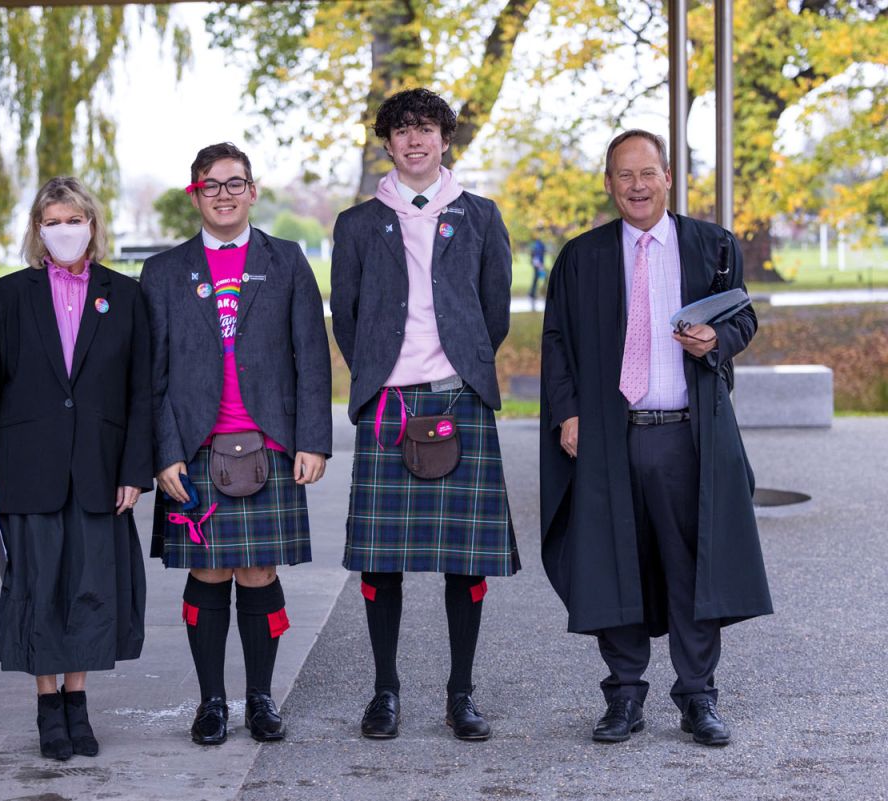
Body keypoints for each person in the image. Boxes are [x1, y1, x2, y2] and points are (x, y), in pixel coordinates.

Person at [539, 129, 773, 747]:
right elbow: (556, 340)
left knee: (692, 565)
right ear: (609, 183)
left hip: (685, 435)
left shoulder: (711, 246)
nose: (636, 186)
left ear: (668, 178)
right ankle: (623, 698)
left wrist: (717, 340)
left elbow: (743, 316)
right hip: (611, 437)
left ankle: (698, 698)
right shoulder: (582, 257)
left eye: (647, 174)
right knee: (615, 564)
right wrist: (567, 413)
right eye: (624, 176)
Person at [330, 88, 518, 741]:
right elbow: (347, 318)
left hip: (458, 398)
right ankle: (385, 690)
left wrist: (459, 364)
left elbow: (493, 311)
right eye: (403, 131)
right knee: (382, 561)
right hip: (389, 404)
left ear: (445, 139)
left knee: (465, 560)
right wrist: (388, 373)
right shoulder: (357, 224)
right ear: (388, 142)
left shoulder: (481, 217)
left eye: (427, 129)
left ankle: (461, 693)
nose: (415, 141)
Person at [141, 142, 331, 746]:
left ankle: (261, 699)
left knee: (258, 570)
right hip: (197, 447)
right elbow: (153, 375)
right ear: (195, 193)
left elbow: (312, 358)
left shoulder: (287, 261)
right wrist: (164, 451)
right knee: (209, 570)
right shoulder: (165, 271)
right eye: (211, 184)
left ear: (252, 191)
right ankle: (211, 704)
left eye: (234, 183)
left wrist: (313, 441)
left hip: (268, 444)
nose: (223, 193)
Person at [0, 177, 152, 760]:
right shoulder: (10, 294)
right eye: (53, 220)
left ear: (93, 225)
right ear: (38, 230)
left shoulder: (124, 295)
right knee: (37, 587)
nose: (65, 229)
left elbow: (139, 391)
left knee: (91, 589)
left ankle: (79, 701)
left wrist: (134, 470)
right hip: (27, 468)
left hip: (100, 468)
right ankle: (48, 706)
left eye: (74, 219)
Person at [529, 238, 547, 303]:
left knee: (536, 279)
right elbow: (538, 255)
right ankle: (533, 294)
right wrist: (540, 265)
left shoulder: (537, 243)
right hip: (538, 264)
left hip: (536, 264)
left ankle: (532, 294)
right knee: (538, 279)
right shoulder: (539, 244)